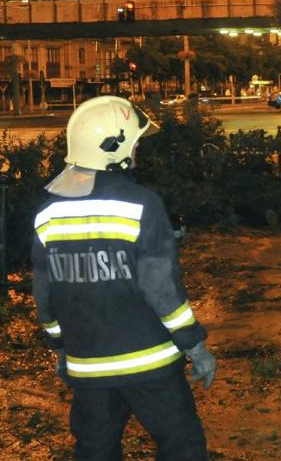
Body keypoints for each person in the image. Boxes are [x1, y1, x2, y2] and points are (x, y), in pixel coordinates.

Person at [32, 96, 216, 459]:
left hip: (88, 366)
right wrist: (195, 346)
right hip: (150, 363)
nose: (138, 150)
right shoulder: (141, 204)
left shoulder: (48, 214)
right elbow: (161, 290)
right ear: (116, 147)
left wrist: (60, 348)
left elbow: (44, 296)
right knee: (183, 446)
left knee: (95, 450)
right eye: (135, 142)